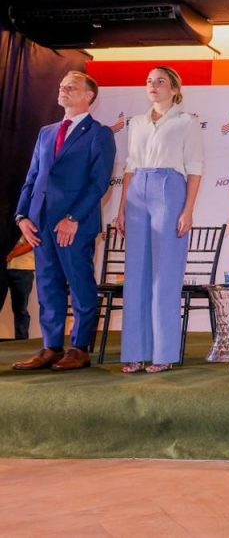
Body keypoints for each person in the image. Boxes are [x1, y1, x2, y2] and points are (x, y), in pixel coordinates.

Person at [12, 71, 115, 371]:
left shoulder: (99, 133)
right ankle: (51, 348)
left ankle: (79, 348)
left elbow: (99, 182)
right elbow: (33, 177)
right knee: (47, 286)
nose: (63, 90)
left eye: (71, 87)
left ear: (89, 96)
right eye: (62, 86)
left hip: (75, 224)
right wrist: (22, 216)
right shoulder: (46, 132)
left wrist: (73, 218)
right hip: (41, 223)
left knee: (80, 284)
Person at [114, 66, 203, 373]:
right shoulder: (136, 123)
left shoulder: (186, 122)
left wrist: (188, 209)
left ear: (174, 89)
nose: (153, 85)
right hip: (137, 189)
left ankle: (163, 353)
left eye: (160, 81)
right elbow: (130, 166)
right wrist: (121, 208)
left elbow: (194, 168)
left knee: (165, 274)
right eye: (149, 81)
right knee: (136, 274)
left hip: (169, 187)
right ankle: (134, 351)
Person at [2, 236, 34, 340]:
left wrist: (12, 254)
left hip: (23, 268)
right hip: (3, 267)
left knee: (21, 309)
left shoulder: (29, 224)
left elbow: (32, 242)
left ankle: (22, 341)